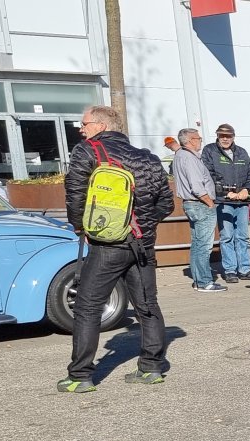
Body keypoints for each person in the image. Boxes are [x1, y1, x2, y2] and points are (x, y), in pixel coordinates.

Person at [58, 105, 175, 393]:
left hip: (107, 243)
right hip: (142, 244)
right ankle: (151, 368)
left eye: (84, 124)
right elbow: (166, 204)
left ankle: (80, 376)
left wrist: (81, 227)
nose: (81, 129)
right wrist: (142, 225)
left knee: (87, 307)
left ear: (100, 126)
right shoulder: (148, 158)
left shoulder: (88, 151)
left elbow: (75, 194)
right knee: (147, 305)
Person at [200, 123, 250, 284]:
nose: (225, 139)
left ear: (233, 137)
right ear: (217, 136)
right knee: (227, 236)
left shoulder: (241, 152)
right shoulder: (210, 151)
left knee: (242, 236)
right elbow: (208, 175)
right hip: (223, 201)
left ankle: (245, 269)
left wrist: (247, 189)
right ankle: (230, 270)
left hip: (242, 201)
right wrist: (226, 192)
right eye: (222, 136)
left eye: (228, 136)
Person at [172, 127, 223, 293]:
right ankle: (204, 282)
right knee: (204, 246)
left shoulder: (181, 155)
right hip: (200, 204)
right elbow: (196, 186)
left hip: (192, 204)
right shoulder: (189, 158)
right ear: (190, 141)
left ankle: (198, 280)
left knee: (197, 244)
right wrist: (209, 202)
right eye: (198, 138)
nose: (201, 140)